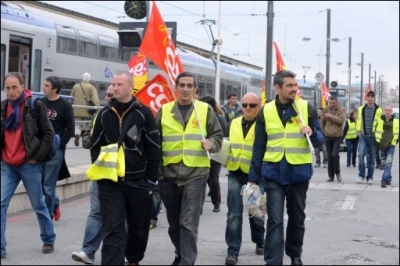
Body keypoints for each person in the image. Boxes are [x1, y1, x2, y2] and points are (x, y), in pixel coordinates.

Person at [248, 70, 324, 265]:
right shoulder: (265, 111)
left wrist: (312, 132)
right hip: (273, 174)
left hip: (298, 174)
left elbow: (320, 138)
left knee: (297, 218)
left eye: (295, 85)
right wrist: (253, 177)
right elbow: (259, 146)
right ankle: (273, 261)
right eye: (290, 85)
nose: (294, 89)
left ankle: (294, 254)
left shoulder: (305, 108)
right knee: (275, 220)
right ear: (277, 87)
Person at [90, 71, 161, 265]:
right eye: (113, 84)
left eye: (120, 84)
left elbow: (154, 148)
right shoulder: (104, 114)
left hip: (138, 181)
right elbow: (95, 145)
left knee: (139, 228)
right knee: (113, 228)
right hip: (110, 183)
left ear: (130, 87)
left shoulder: (143, 113)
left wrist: (150, 180)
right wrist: (101, 170)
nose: (115, 87)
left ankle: (133, 259)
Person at [155, 71, 223, 265]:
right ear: (176, 88)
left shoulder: (205, 110)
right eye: (182, 85)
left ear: (195, 89)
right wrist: (158, 172)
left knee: (188, 224)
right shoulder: (165, 110)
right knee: (174, 225)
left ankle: (187, 261)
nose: (185, 89)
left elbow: (218, 136)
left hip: (196, 174)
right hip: (168, 175)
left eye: (189, 86)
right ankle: (181, 252)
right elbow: (155, 142)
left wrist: (211, 143)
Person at [1, 72, 56, 258]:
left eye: (14, 87)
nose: (11, 91)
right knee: (0, 204)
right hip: (8, 165)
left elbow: (49, 134)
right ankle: (0, 248)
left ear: (22, 86)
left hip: (29, 164)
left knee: (38, 204)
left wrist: (36, 158)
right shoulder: (3, 107)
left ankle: (48, 239)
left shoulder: (35, 105)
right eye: (7, 88)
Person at [71, 85, 114, 264]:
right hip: (101, 171)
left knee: (123, 214)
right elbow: (88, 142)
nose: (110, 97)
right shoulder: (99, 115)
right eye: (108, 94)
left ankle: (126, 252)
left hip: (124, 174)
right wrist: (93, 135)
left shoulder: (131, 115)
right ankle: (88, 251)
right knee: (96, 213)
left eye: (113, 94)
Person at [224, 92, 266, 266]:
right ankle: (233, 251)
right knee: (234, 214)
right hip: (235, 173)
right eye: (245, 104)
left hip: (255, 176)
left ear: (259, 107)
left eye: (252, 105)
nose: (248, 108)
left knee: (255, 213)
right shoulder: (233, 123)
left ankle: (259, 240)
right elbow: (227, 143)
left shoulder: (263, 125)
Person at [40, 76, 75, 221]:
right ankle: (55, 202)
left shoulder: (65, 106)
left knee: (48, 185)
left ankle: (47, 216)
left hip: (55, 151)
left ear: (54, 89)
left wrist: (59, 144)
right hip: (40, 149)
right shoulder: (40, 102)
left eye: (47, 86)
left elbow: (70, 129)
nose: (44, 87)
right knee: (39, 183)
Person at [199, 94, 228, 213]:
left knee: (212, 179)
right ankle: (208, 205)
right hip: (204, 152)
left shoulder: (218, 118)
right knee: (205, 180)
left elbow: (223, 135)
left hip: (215, 153)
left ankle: (216, 203)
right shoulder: (200, 117)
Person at [356, 90, 382, 185]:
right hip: (363, 136)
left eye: (372, 96)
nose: (370, 98)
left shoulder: (378, 110)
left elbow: (380, 123)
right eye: (369, 96)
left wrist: (378, 136)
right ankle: (361, 174)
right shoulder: (361, 109)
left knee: (372, 159)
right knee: (361, 155)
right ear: (366, 98)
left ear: (374, 98)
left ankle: (370, 177)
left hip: (373, 137)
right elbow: (358, 121)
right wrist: (359, 132)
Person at [321, 96, 346, 182]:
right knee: (330, 157)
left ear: (337, 103)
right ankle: (331, 176)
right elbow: (322, 122)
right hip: (328, 135)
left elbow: (341, 121)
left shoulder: (342, 110)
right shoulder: (326, 109)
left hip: (337, 135)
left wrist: (331, 116)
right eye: (330, 103)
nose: (331, 105)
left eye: (333, 103)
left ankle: (338, 173)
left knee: (335, 155)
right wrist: (324, 132)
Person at [70, 72, 99, 147]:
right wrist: (97, 107)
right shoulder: (91, 87)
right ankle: (85, 140)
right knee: (87, 125)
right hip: (87, 110)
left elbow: (71, 98)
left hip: (77, 109)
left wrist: (71, 105)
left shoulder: (75, 87)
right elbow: (95, 99)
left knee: (77, 125)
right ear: (89, 79)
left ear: (82, 78)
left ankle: (77, 134)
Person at [375, 105, 399, 188]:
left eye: (389, 110)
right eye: (386, 110)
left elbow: (398, 133)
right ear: (384, 111)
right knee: (384, 164)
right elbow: (376, 131)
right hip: (381, 146)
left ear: (391, 112)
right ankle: (388, 178)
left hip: (390, 146)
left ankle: (384, 180)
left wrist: (395, 142)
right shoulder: (380, 120)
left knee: (388, 163)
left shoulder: (395, 121)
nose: (388, 112)